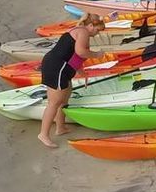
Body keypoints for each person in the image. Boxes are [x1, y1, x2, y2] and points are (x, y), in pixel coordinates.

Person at [37, 13, 108, 148]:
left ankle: (60, 127)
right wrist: (96, 55)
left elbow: (74, 56)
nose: (97, 33)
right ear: (90, 25)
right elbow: (81, 52)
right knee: (54, 102)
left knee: (64, 99)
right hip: (56, 67)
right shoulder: (83, 32)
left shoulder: (80, 32)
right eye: (97, 30)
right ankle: (43, 134)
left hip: (63, 68)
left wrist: (82, 73)